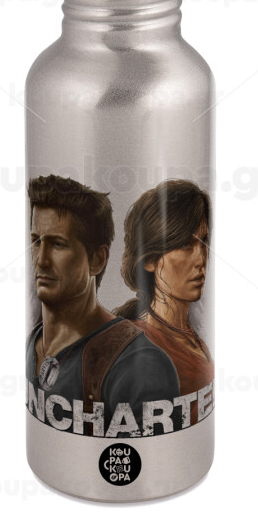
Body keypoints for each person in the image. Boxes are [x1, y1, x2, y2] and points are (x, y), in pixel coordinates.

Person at [26, 174, 180, 436]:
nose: (41, 260)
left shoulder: (140, 364)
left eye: (58, 244)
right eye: (36, 242)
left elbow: (156, 456)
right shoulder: (33, 341)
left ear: (97, 260)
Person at [114, 179, 214, 425]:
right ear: (149, 260)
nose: (201, 260)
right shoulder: (139, 349)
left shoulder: (193, 334)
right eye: (185, 245)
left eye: (204, 242)